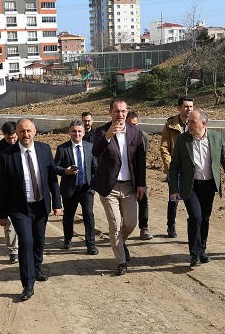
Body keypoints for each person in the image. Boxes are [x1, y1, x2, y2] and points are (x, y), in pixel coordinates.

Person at [0, 118, 61, 301]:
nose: (25, 135)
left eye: (28, 131)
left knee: (39, 241)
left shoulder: (44, 149)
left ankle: (37, 269)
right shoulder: (7, 155)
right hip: (19, 208)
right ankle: (28, 284)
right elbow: (3, 187)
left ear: (35, 132)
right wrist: (1, 214)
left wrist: (57, 203)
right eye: (22, 131)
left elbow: (52, 179)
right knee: (26, 241)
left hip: (40, 204)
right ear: (17, 133)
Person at [169, 109, 225, 267]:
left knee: (205, 218)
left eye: (192, 122)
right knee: (196, 217)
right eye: (188, 122)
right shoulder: (183, 139)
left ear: (203, 124)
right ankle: (195, 253)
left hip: (209, 185)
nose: (189, 125)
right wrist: (174, 189)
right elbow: (175, 165)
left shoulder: (216, 137)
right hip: (190, 186)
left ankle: (202, 250)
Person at [92, 99, 146, 276]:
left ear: (127, 112)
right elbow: (95, 152)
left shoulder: (135, 131)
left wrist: (141, 184)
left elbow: (140, 160)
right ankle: (121, 262)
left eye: (123, 111)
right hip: (110, 187)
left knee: (131, 223)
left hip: (129, 186)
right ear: (110, 112)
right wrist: (108, 135)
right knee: (115, 224)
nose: (120, 115)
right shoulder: (101, 131)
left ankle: (119, 243)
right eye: (116, 111)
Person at [54, 120, 98, 255]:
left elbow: (95, 167)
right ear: (69, 132)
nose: (77, 134)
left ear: (84, 133)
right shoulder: (62, 148)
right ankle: (68, 238)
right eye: (74, 131)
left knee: (88, 215)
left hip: (86, 188)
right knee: (69, 215)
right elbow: (55, 167)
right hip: (70, 189)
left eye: (79, 131)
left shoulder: (90, 147)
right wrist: (65, 171)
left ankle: (91, 244)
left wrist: (95, 183)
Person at [160, 96, 194, 238]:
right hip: (175, 169)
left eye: (191, 106)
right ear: (179, 108)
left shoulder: (196, 122)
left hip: (192, 170)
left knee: (192, 201)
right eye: (186, 106)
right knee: (174, 199)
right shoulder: (170, 125)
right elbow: (164, 148)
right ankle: (171, 226)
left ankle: (193, 231)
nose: (189, 109)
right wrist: (171, 168)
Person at [0, 121, 19, 263]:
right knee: (9, 221)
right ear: (3, 135)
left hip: (23, 190)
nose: (12, 141)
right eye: (8, 138)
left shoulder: (23, 144)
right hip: (5, 190)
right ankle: (13, 250)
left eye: (14, 138)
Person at [126, 111, 153, 240]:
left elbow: (142, 158)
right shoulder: (120, 136)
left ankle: (144, 228)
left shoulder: (143, 136)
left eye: (135, 124)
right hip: (125, 175)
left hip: (139, 173)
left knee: (143, 199)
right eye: (130, 124)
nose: (133, 127)